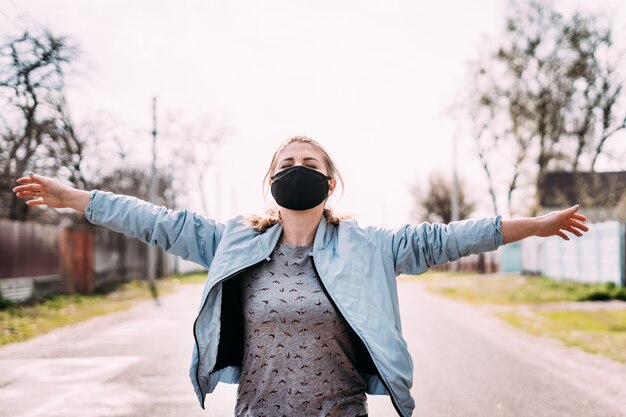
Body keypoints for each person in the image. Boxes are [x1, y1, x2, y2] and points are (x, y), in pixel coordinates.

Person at [12, 136, 588, 417]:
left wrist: (533, 225)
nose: (298, 171)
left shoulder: (370, 247)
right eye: (286, 164)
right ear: (270, 180)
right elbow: (157, 221)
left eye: (310, 164)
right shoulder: (232, 242)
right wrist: (76, 198)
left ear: (330, 183)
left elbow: (446, 238)